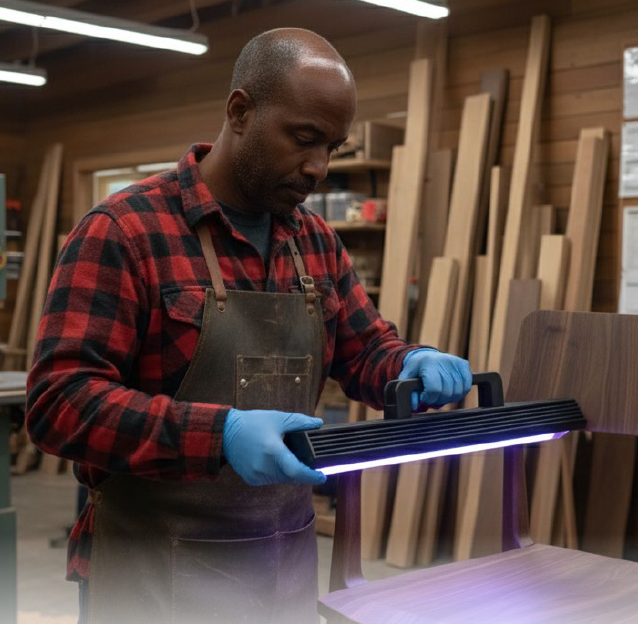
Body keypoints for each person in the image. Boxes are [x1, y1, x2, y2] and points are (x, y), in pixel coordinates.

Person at [25, 28, 471, 624]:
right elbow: (60, 403)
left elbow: (365, 351)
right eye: (305, 139)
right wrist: (221, 435)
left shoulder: (313, 241)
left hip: (280, 566)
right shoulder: (125, 231)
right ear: (240, 111)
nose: (318, 168)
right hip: (150, 575)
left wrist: (409, 363)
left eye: (333, 147)